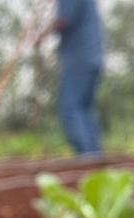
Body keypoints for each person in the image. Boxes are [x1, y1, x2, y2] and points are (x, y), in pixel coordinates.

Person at [41, 0, 104, 156]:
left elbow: (64, 20)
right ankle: (95, 158)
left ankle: (87, 158)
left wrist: (41, 34)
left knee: (70, 108)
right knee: (83, 110)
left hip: (79, 58)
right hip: (92, 57)